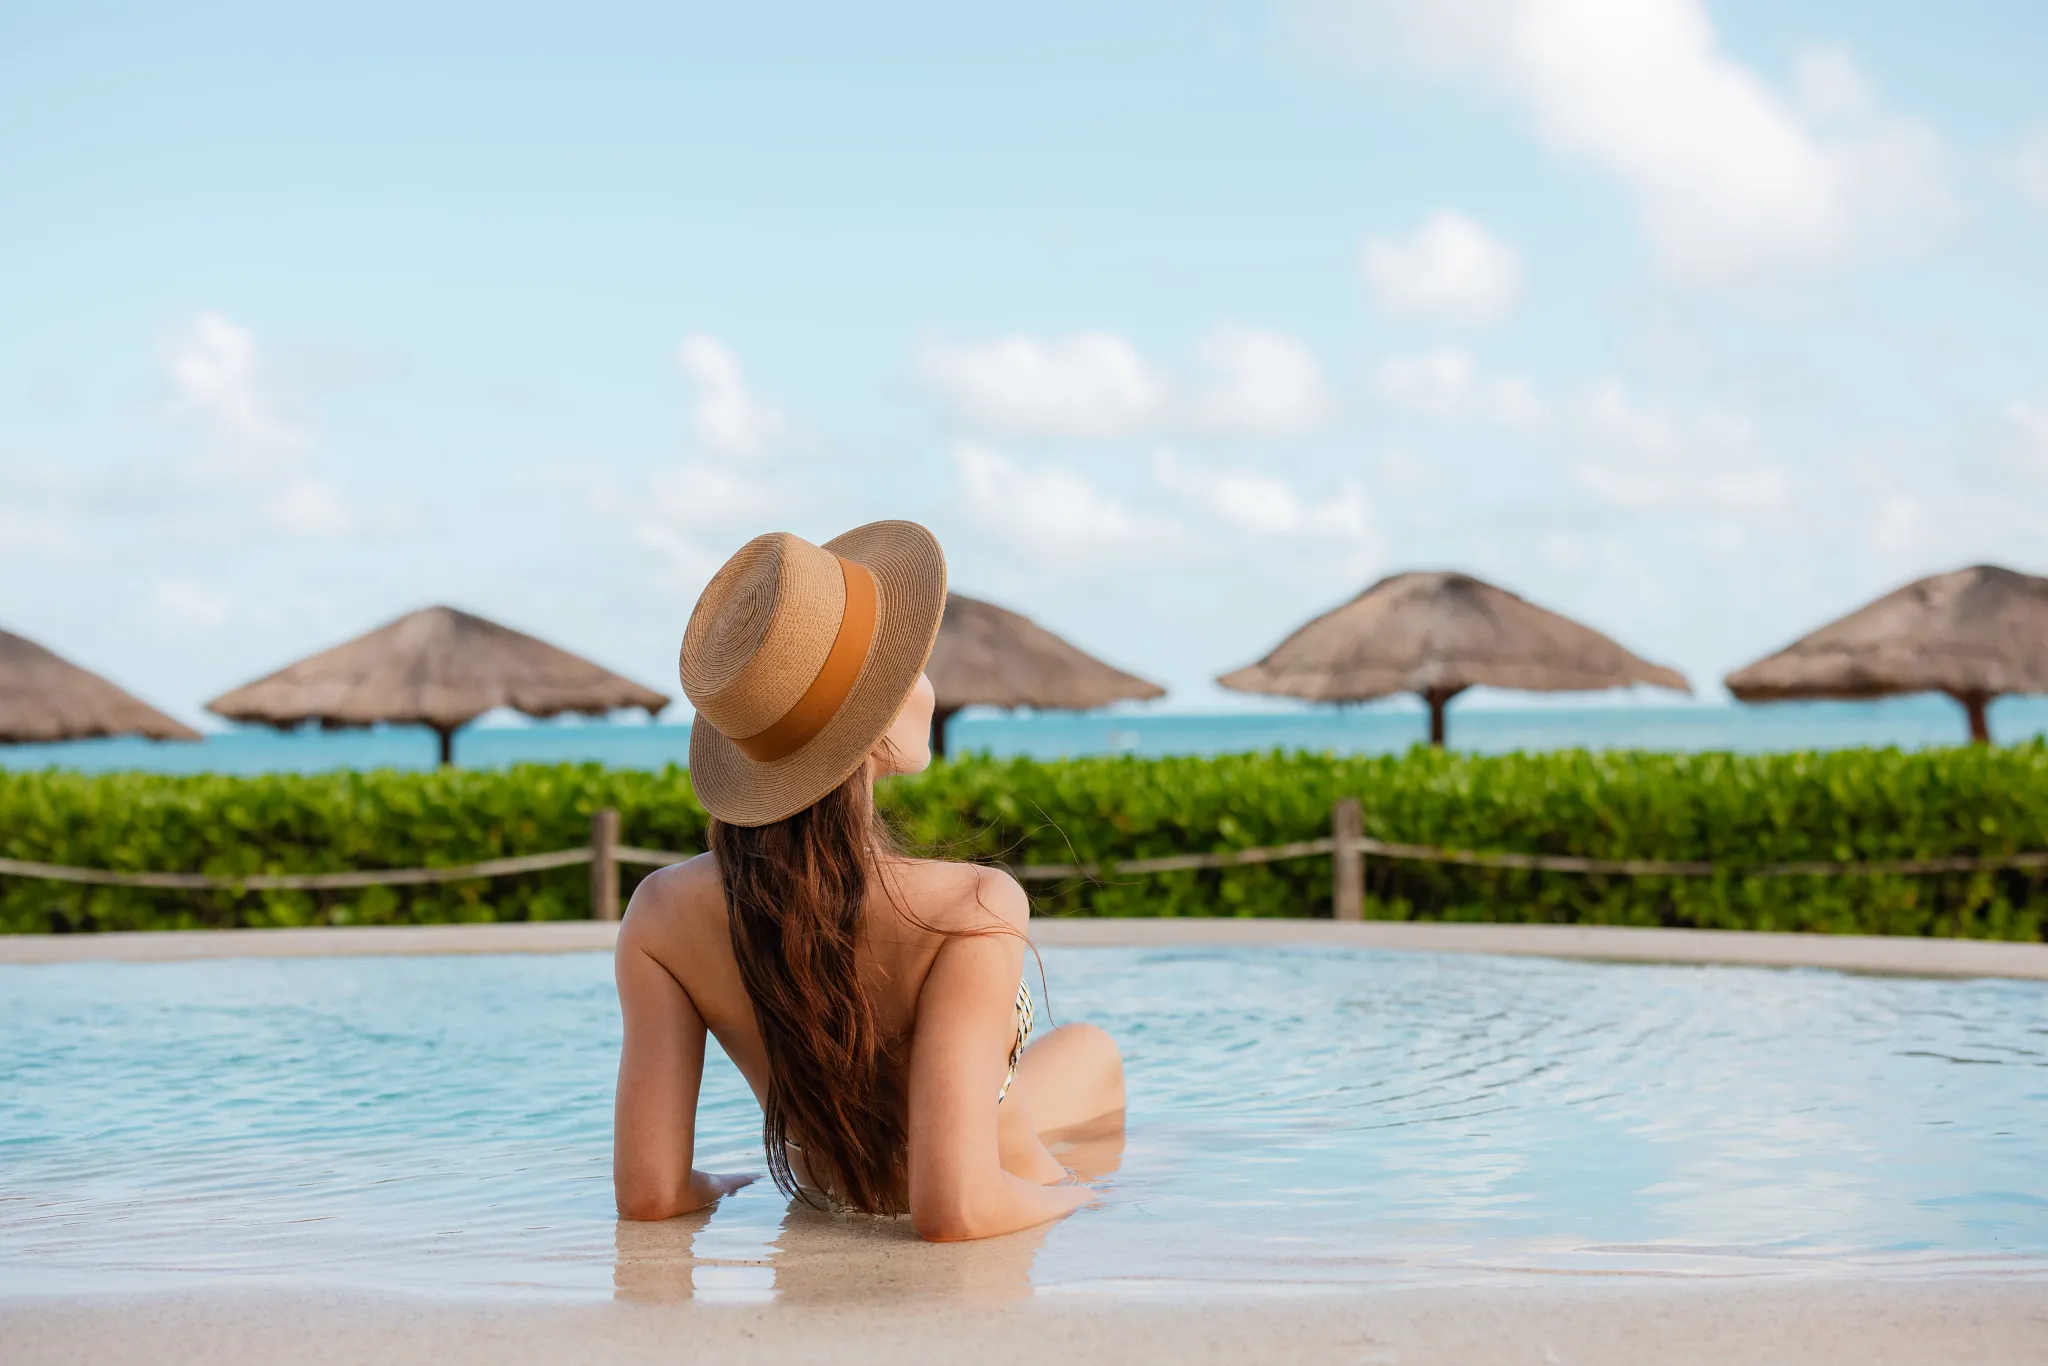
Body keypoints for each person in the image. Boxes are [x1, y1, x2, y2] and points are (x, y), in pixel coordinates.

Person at [613, 520, 1126, 1242]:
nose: (927, 682)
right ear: (876, 721)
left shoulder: (661, 913)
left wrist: (719, 1183)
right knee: (1100, 1073)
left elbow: (651, 1193)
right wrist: (1084, 1197)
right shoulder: (972, 905)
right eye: (906, 662)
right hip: (991, 1190)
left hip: (827, 1195)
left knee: (1087, 1051)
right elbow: (958, 1208)